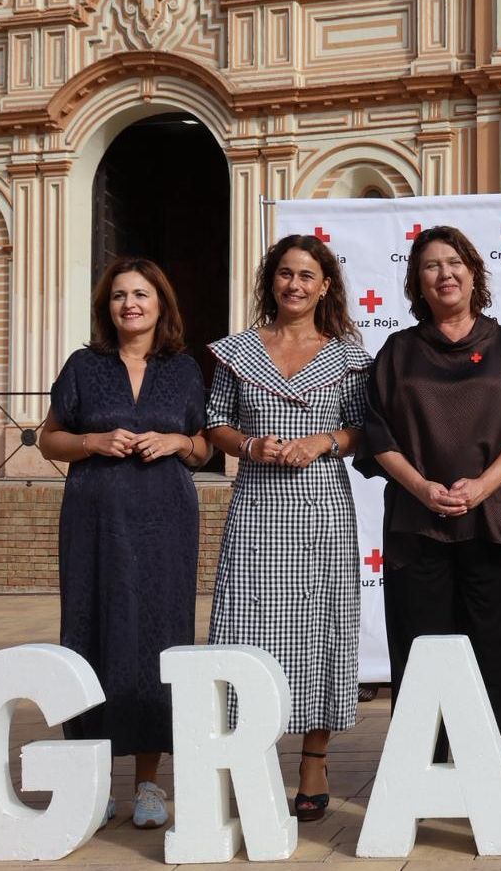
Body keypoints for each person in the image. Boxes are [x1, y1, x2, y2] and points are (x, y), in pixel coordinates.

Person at [354, 225, 501, 761]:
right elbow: (377, 432)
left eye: (453, 262)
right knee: (420, 656)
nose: (445, 273)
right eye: (431, 265)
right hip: (418, 528)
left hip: (493, 524)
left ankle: (487, 776)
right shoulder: (397, 351)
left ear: (473, 271)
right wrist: (420, 487)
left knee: (493, 656)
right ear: (418, 281)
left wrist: (482, 487)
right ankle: (421, 778)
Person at [38, 257, 210, 830]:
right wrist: (93, 440)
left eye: (141, 294)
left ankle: (148, 784)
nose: (129, 304)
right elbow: (49, 441)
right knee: (91, 632)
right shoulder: (85, 366)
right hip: (94, 518)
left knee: (160, 641)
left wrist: (178, 440)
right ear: (106, 307)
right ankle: (94, 783)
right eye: (118, 296)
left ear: (161, 304)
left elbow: (207, 448)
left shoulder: (184, 369)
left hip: (166, 520)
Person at [205, 234, 371, 823]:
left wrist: (323, 440)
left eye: (307, 275)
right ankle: (250, 757)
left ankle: (314, 762)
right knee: (246, 625)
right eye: (284, 274)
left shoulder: (350, 355)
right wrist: (251, 443)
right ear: (270, 281)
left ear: (325, 285)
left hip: (323, 504)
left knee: (323, 625)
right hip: (257, 506)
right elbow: (215, 422)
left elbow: (362, 429)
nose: (295, 284)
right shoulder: (236, 351)